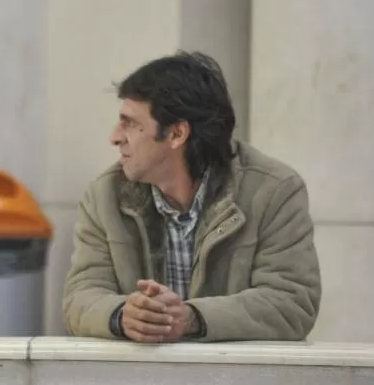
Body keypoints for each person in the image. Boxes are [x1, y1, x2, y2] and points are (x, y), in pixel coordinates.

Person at [61, 51, 321, 343]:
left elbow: (291, 304)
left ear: (177, 134)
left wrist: (190, 318)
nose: (114, 136)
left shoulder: (274, 190)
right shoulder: (104, 196)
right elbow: (80, 297)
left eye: (130, 123)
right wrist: (123, 315)